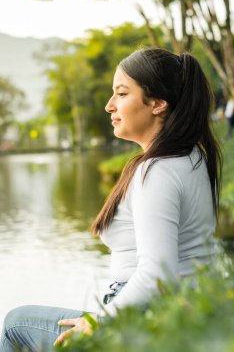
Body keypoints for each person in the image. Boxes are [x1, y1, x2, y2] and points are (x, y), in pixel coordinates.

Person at [0, 48, 222, 352]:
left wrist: (101, 319)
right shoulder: (193, 157)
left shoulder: (156, 172)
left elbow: (158, 272)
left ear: (157, 104)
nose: (109, 106)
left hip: (145, 319)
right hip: (182, 311)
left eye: (121, 93)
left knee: (15, 324)